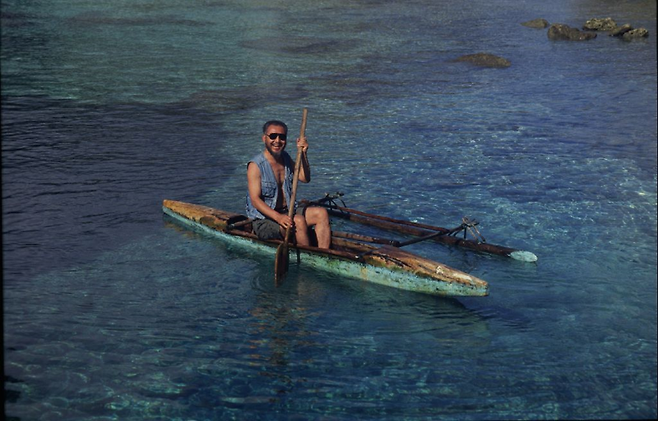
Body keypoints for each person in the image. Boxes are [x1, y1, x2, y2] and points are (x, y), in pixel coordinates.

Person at [246, 120, 331, 249]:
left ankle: (324, 254)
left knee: (321, 213)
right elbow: (255, 200)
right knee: (298, 221)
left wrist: (303, 153)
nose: (277, 141)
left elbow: (304, 178)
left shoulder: (285, 158)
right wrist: (279, 218)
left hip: (288, 211)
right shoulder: (255, 166)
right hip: (264, 220)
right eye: (273, 136)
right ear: (264, 138)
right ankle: (308, 257)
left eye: (282, 137)